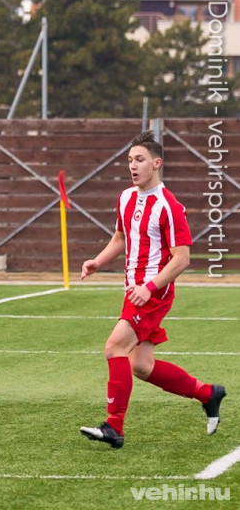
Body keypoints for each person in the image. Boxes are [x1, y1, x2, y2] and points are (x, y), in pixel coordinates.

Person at [79, 131, 225, 448]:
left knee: (114, 347)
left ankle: (114, 426)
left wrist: (149, 287)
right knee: (141, 366)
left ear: (156, 164)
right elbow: (120, 237)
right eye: (130, 160)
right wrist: (98, 261)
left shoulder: (169, 206)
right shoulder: (126, 197)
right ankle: (208, 393)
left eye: (140, 160)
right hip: (134, 291)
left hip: (154, 294)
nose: (133, 166)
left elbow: (182, 259)